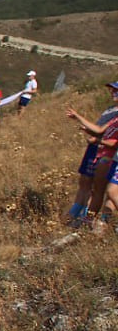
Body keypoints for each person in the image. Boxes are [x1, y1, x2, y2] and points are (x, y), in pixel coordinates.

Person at [65, 82, 118, 226]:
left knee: (110, 191)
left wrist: (100, 140)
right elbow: (100, 130)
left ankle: (100, 222)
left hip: (109, 154)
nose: (113, 92)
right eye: (112, 90)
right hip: (103, 152)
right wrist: (78, 118)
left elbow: (112, 141)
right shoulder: (112, 114)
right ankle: (87, 220)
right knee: (97, 187)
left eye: (116, 90)